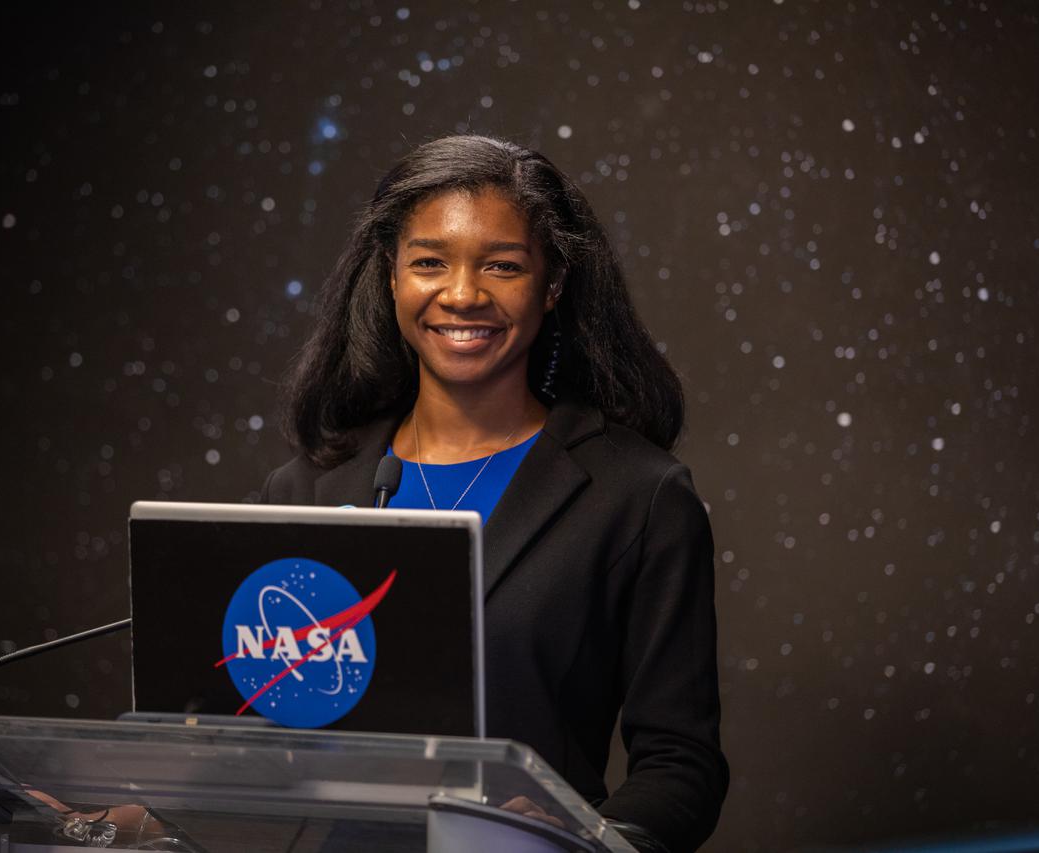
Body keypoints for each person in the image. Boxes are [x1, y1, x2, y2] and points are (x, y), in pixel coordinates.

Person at [261, 135, 727, 852]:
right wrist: (134, 807)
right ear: (391, 278)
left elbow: (681, 765)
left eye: (502, 266)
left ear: (552, 283)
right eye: (429, 263)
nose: (462, 294)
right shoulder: (304, 490)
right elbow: (250, 737)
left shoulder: (638, 495)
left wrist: (584, 838)